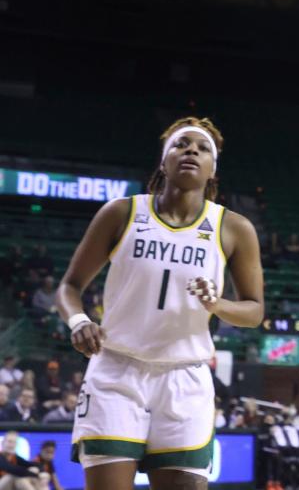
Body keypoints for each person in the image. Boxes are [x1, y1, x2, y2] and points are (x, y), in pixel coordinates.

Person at [55, 117, 264, 489]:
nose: (190, 152)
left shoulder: (234, 228)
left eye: (201, 149)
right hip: (117, 370)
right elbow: (69, 286)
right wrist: (78, 321)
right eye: (181, 145)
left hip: (186, 376)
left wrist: (219, 305)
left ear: (212, 170)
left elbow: (254, 311)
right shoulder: (122, 213)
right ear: (163, 162)